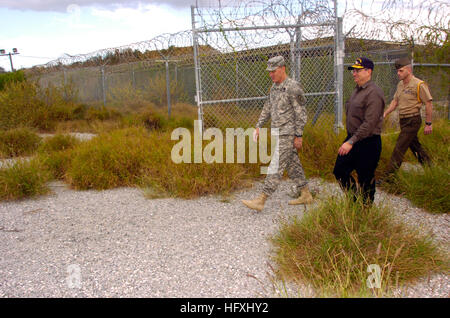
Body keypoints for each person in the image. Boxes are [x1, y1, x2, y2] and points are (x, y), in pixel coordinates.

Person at [242, 55, 313, 212]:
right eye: (269, 72)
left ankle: (262, 199)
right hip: (277, 132)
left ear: (282, 69)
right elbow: (268, 107)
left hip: (288, 133)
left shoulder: (293, 87)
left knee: (276, 165)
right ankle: (306, 194)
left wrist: (298, 135)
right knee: (292, 163)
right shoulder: (274, 88)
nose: (271, 74)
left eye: (273, 71)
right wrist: (258, 126)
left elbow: (301, 113)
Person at [333, 57, 385, 205]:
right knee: (340, 170)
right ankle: (354, 202)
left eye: (358, 70)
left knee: (365, 178)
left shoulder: (374, 93)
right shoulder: (357, 90)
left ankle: (366, 210)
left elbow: (369, 123)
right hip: (354, 138)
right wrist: (350, 139)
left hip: (368, 142)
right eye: (353, 71)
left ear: (368, 72)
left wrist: (350, 142)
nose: (354, 73)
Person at [381, 57, 432, 178]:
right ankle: (429, 166)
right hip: (403, 120)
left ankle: (389, 177)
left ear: (409, 70)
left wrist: (428, 123)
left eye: (401, 71)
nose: (398, 73)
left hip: (413, 120)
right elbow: (395, 101)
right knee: (415, 146)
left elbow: (429, 103)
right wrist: (385, 113)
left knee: (399, 147)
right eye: (397, 71)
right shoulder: (400, 85)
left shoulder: (419, 84)